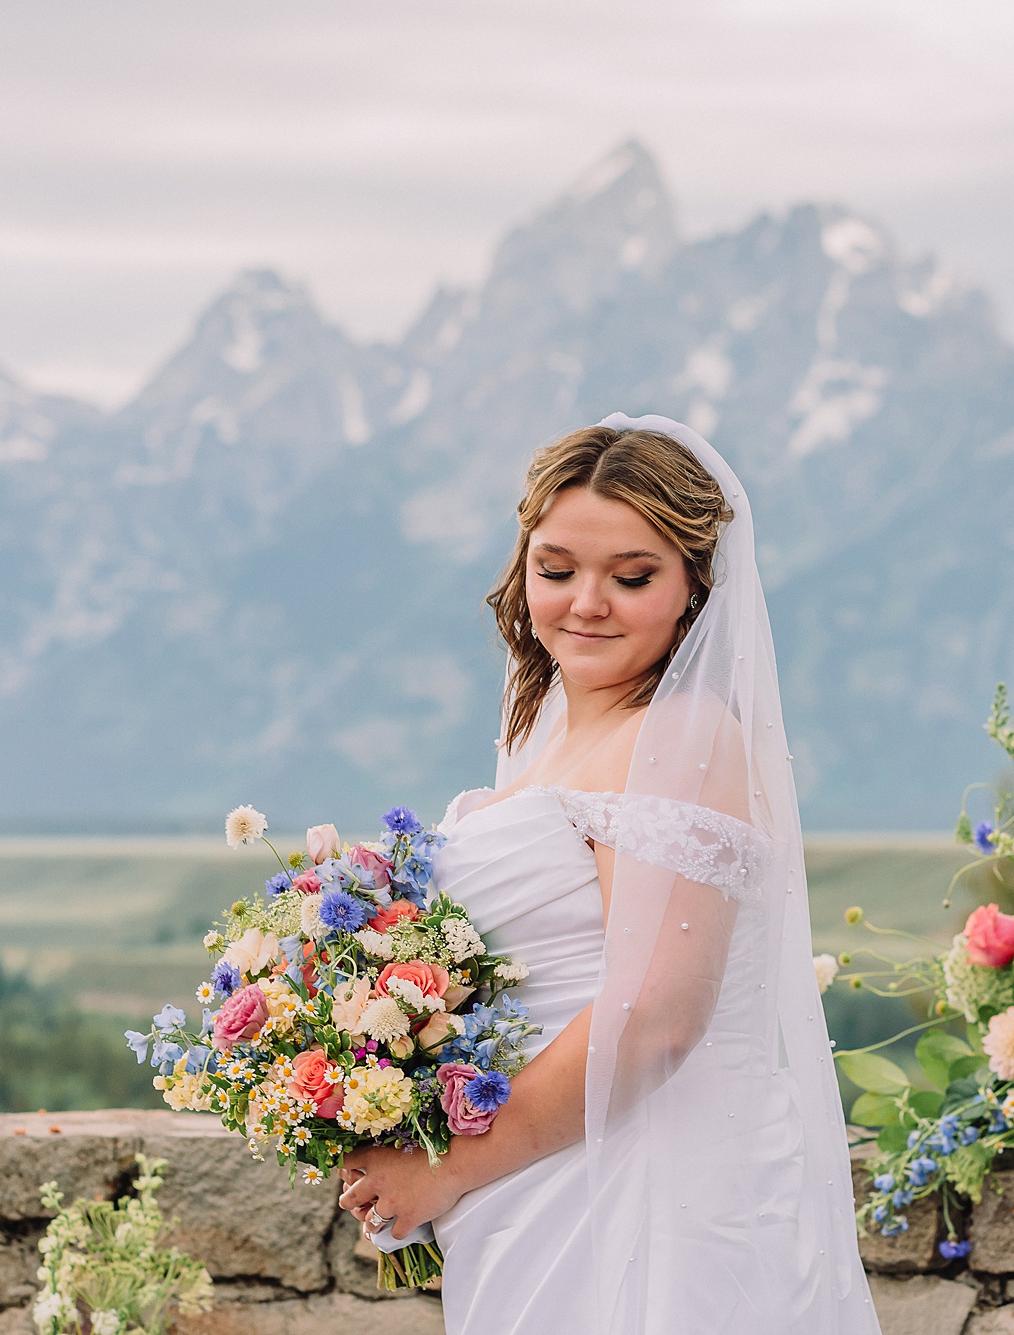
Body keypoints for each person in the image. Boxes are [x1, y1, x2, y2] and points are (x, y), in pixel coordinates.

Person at [337, 414, 880, 1333]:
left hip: (640, 1190)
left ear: (693, 589)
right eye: (556, 569)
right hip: (538, 1183)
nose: (587, 601)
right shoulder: (542, 728)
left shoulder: (681, 733)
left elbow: (660, 1018)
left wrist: (448, 1166)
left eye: (632, 577)